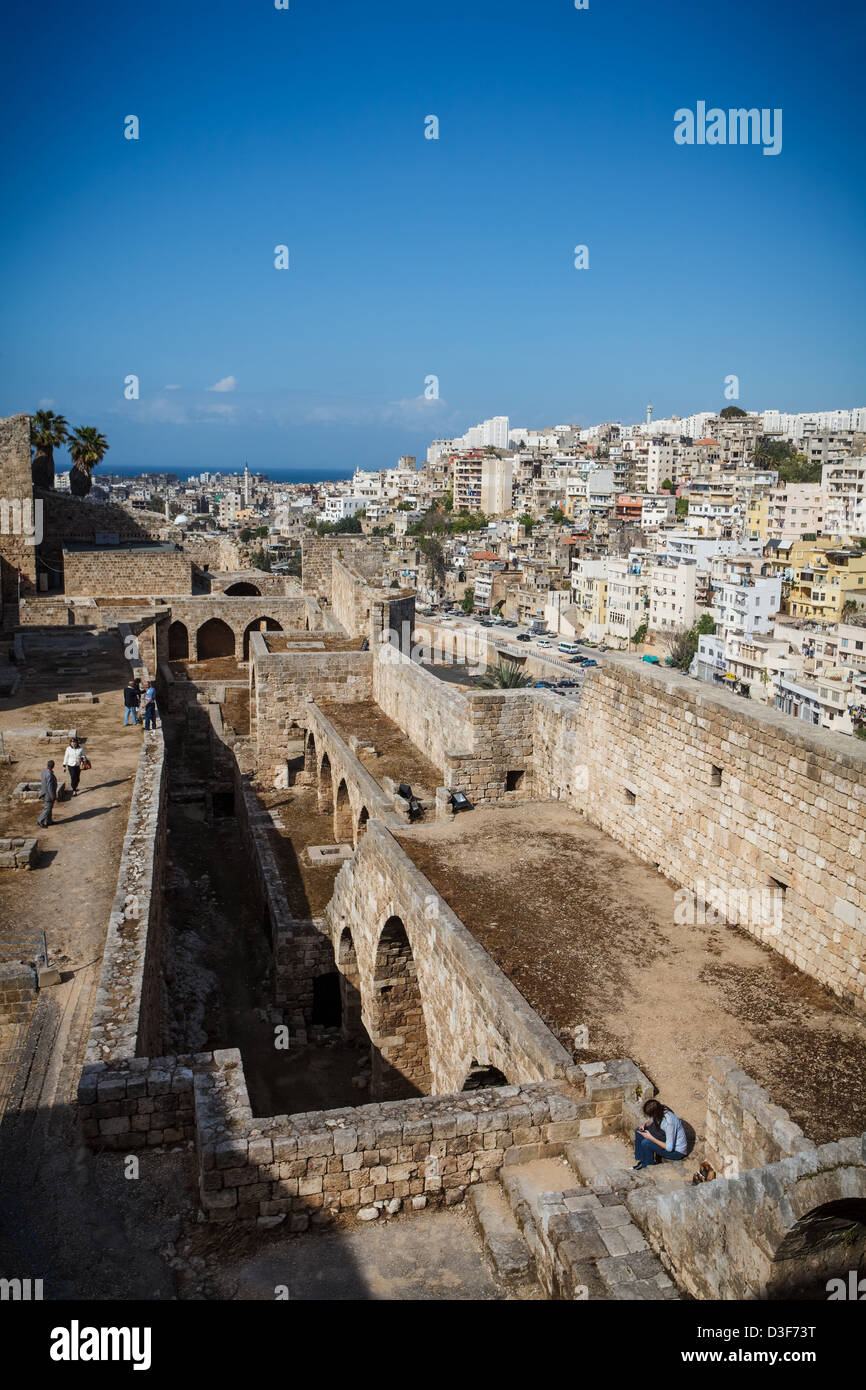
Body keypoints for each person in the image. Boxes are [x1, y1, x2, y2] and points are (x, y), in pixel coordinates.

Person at [634, 1097, 688, 1169]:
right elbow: (652, 1120)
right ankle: (642, 1160)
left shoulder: (669, 1123)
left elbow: (669, 1148)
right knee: (638, 1131)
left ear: (655, 1113)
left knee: (646, 1142)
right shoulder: (660, 1108)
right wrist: (645, 1125)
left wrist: (650, 1137)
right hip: (665, 1137)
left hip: (676, 1152)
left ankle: (647, 1167)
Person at [37, 759, 58, 828]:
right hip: (48, 795)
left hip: (45, 792)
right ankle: (40, 821)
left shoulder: (44, 771)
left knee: (49, 808)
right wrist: (52, 796)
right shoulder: (49, 774)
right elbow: (50, 787)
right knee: (47, 809)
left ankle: (49, 821)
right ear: (53, 766)